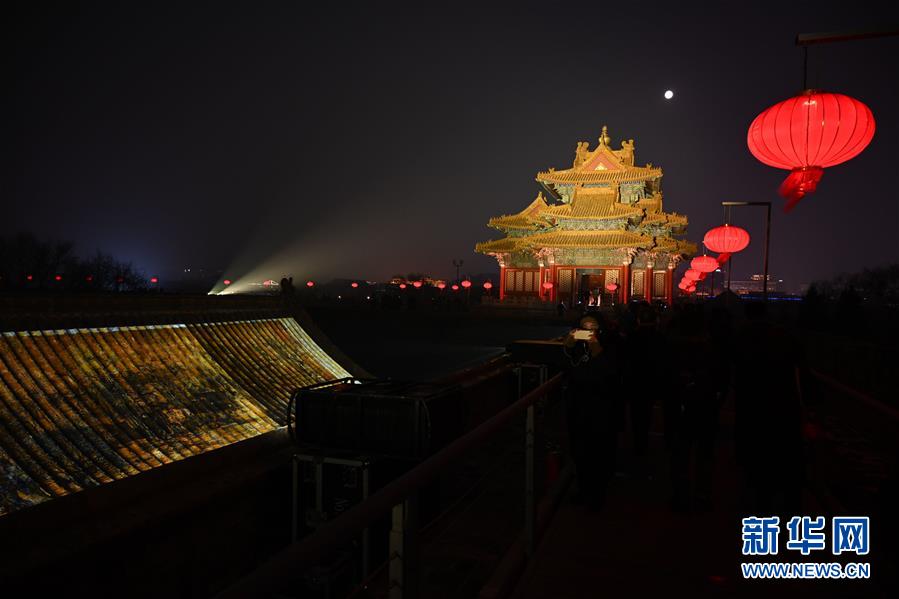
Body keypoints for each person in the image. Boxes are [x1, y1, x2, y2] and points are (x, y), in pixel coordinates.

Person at [562, 314, 623, 510]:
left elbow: (611, 371)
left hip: (602, 409)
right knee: (579, 451)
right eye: (584, 327)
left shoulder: (612, 344)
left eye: (593, 327)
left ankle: (597, 494)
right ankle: (583, 489)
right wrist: (569, 345)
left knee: (600, 453)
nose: (588, 331)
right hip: (579, 408)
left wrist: (596, 346)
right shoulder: (577, 347)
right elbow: (565, 367)